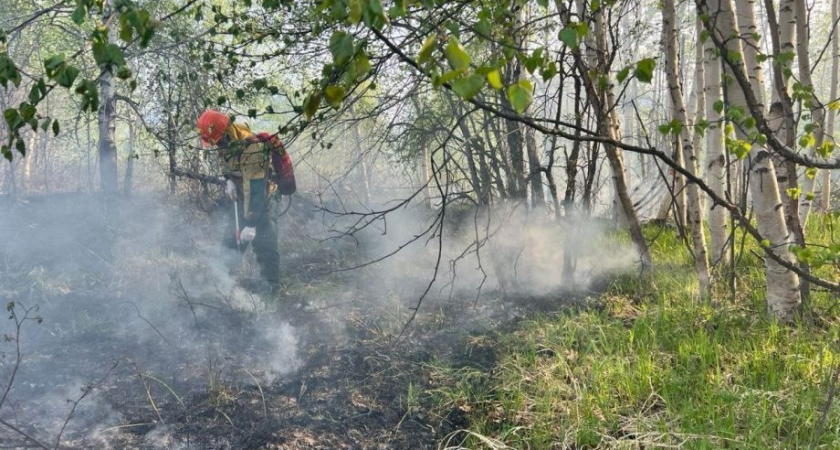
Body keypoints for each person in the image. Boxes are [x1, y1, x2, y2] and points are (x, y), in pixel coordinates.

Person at [196, 109, 280, 292]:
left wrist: (250, 223)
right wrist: (229, 180)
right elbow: (224, 161)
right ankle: (222, 284)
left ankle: (270, 290)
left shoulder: (252, 148)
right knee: (231, 240)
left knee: (264, 244)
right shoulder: (226, 144)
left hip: (262, 200)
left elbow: (256, 188)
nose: (217, 144)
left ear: (226, 132)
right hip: (243, 195)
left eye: (218, 140)